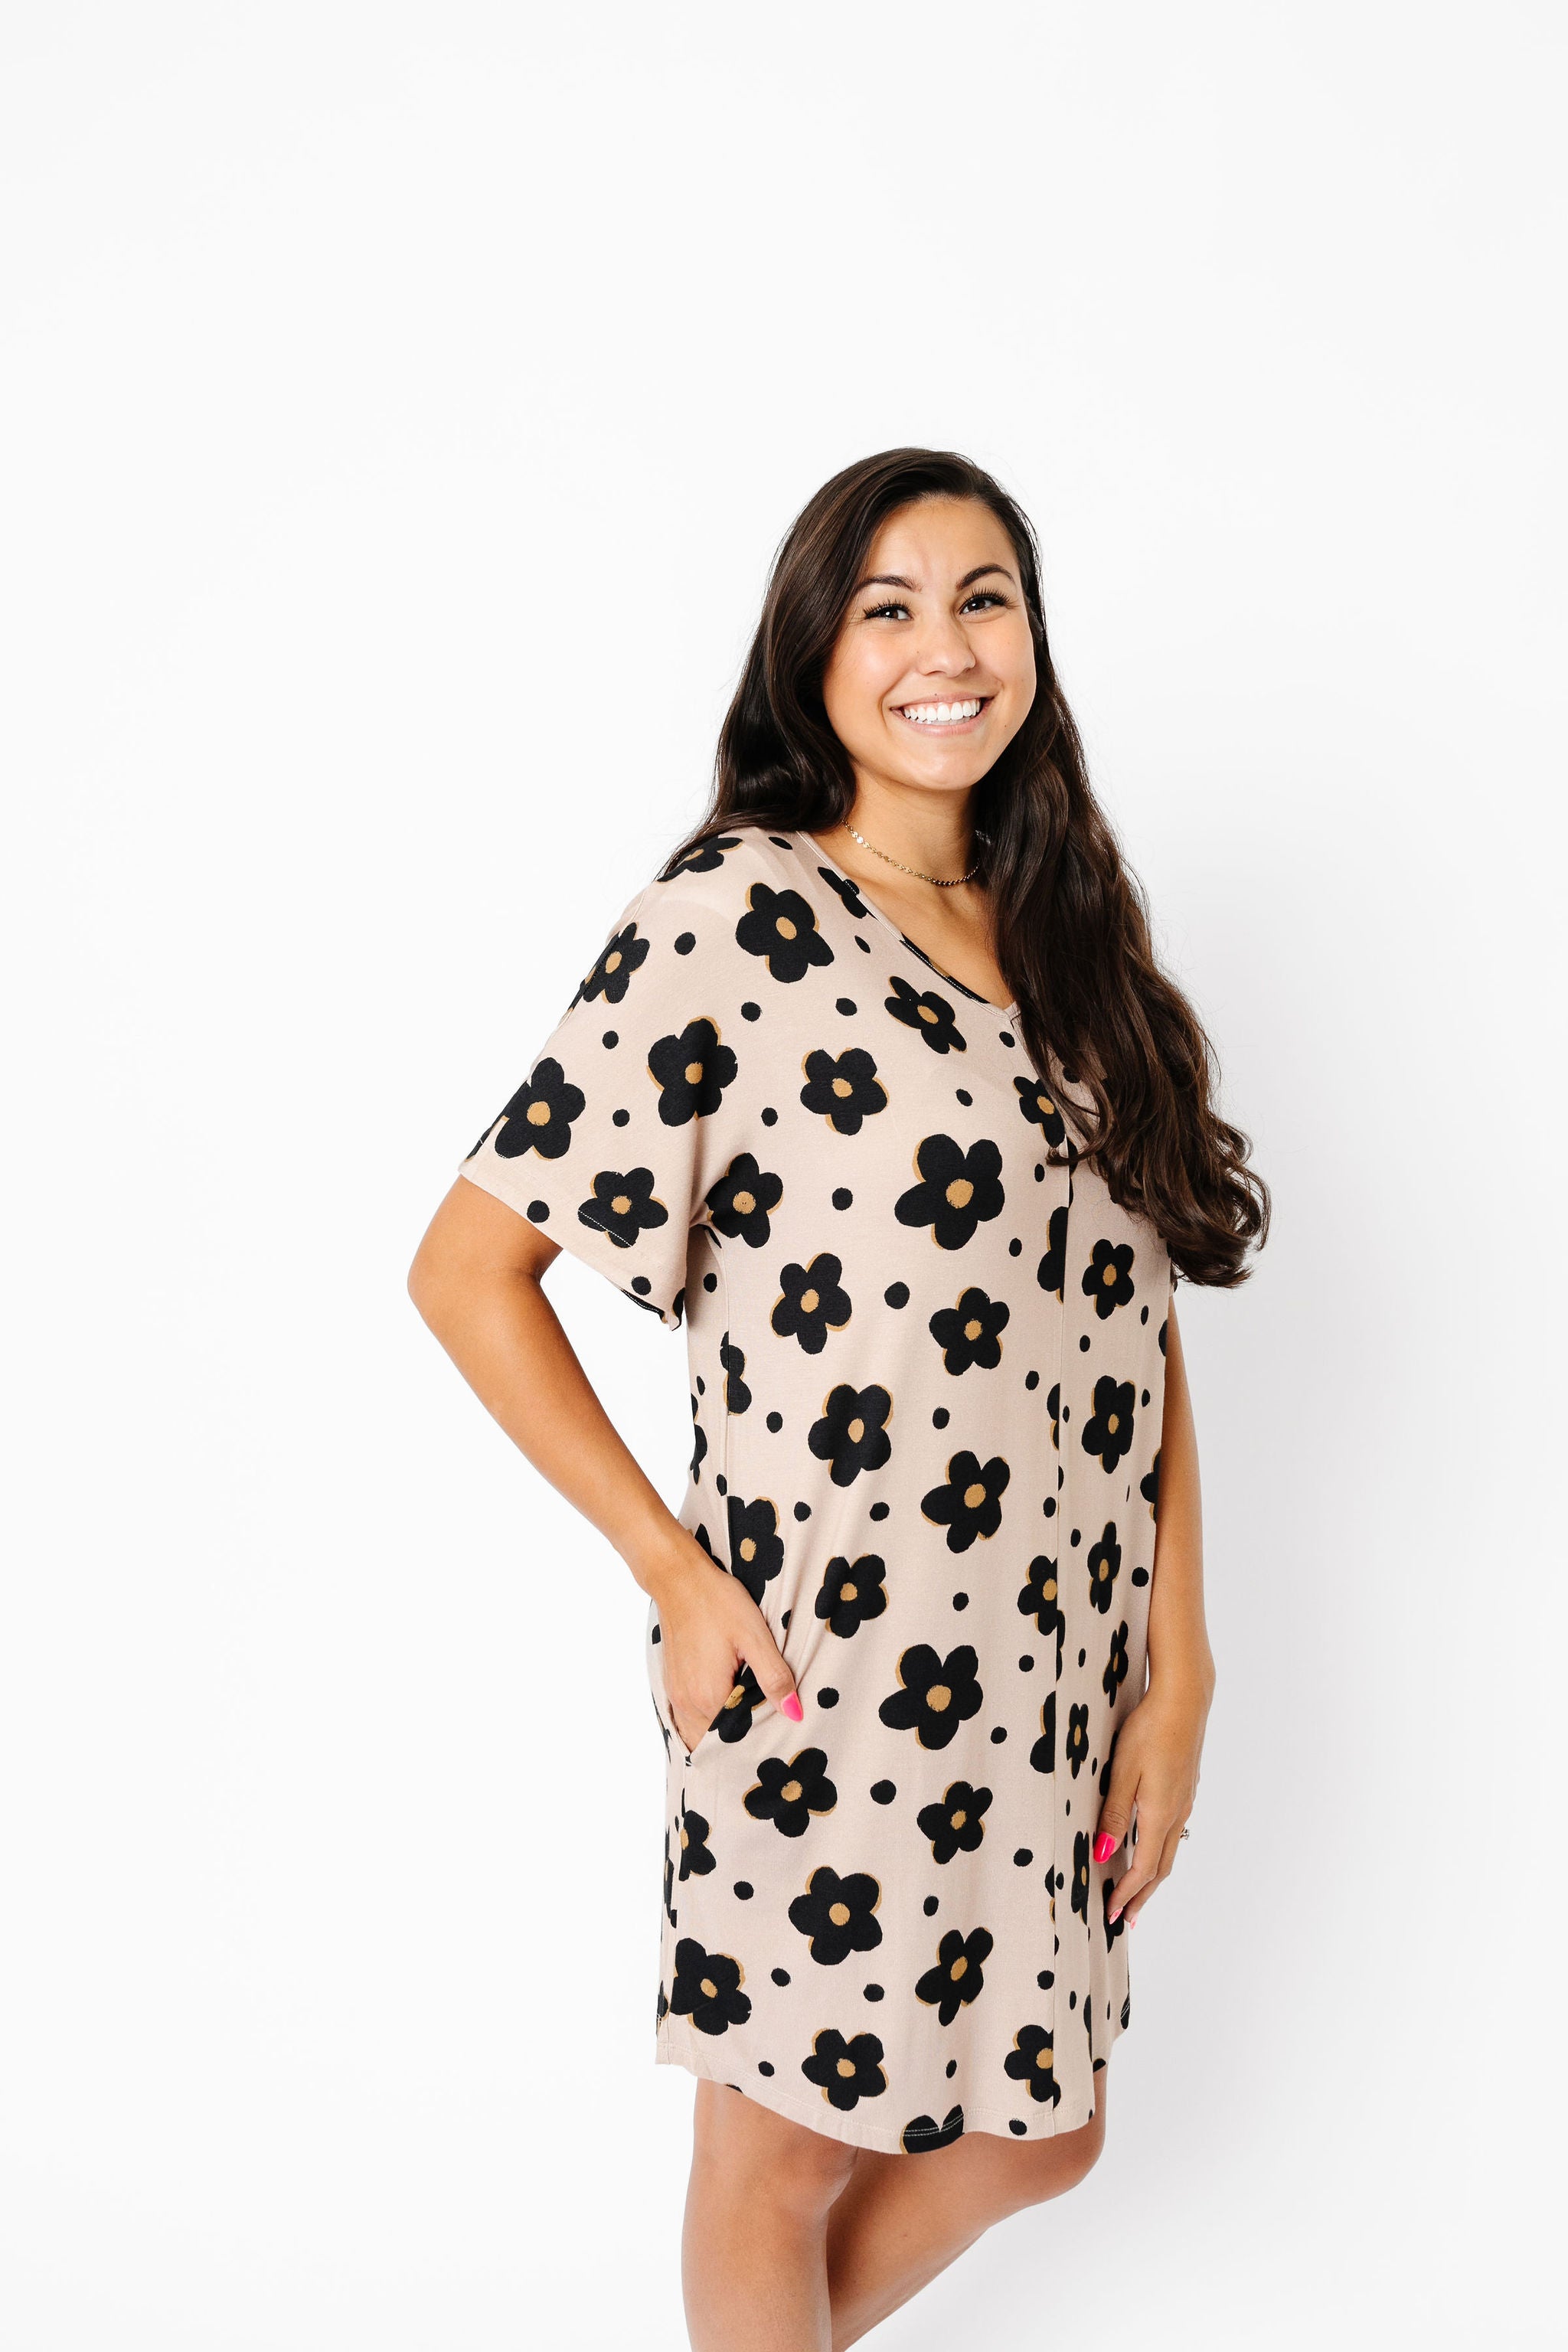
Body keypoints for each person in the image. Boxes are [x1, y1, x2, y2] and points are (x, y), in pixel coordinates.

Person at [408, 447, 1268, 2351]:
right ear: (813, 654)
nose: (943, 649)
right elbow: (466, 1273)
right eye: (888, 608)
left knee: (1042, 2131)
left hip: (1052, 1665)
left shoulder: (1068, 940)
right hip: (828, 1651)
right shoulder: (736, 917)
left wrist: (1180, 1669)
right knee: (780, 2154)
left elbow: (1129, 1324)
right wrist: (673, 1575)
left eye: (983, 599)